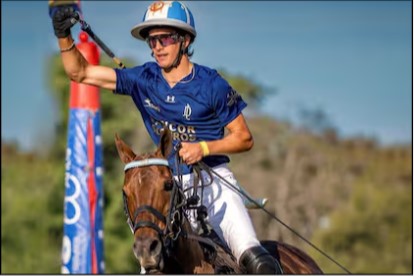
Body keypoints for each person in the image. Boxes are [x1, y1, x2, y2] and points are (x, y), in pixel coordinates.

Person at [51, 1, 283, 274]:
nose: (157, 47)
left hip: (213, 185)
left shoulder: (211, 84)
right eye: (152, 40)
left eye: (165, 38)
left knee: (258, 262)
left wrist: (204, 148)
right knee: (150, 261)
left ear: (184, 40)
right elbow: (80, 72)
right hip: (166, 189)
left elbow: (244, 138)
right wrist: (62, 34)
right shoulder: (144, 78)